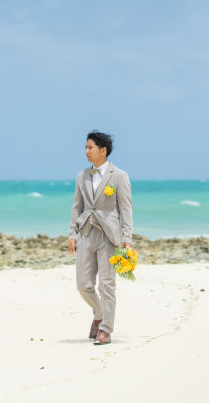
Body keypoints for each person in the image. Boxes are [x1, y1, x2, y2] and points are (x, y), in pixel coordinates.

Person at [68, 130, 133, 345]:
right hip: (86, 234)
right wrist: (72, 234)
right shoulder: (82, 176)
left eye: (90, 147)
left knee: (107, 284)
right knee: (82, 284)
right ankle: (98, 313)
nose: (86, 151)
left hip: (109, 237)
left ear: (102, 150)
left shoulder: (120, 176)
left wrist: (127, 238)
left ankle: (105, 329)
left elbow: (126, 209)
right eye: (86, 148)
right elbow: (76, 207)